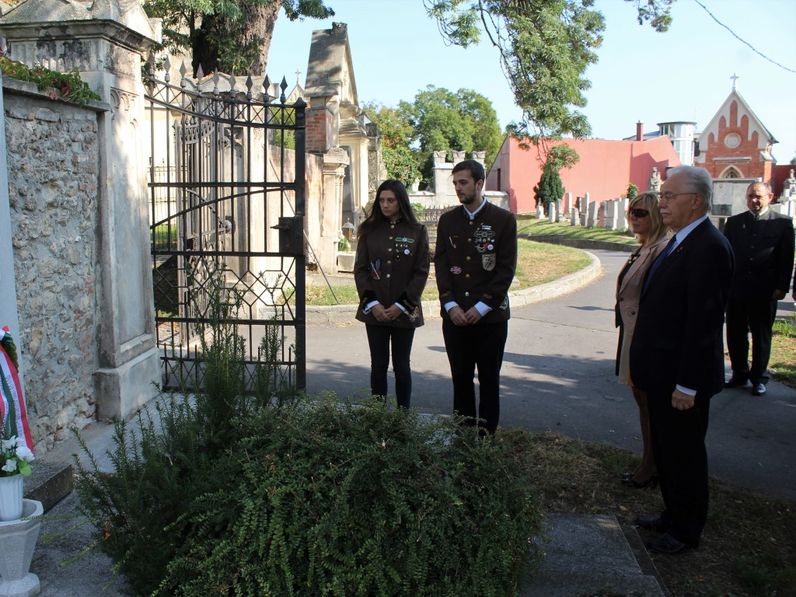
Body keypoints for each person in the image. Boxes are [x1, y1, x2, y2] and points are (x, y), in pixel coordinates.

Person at [630, 166, 734, 555]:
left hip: (681, 380)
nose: (662, 202)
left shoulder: (709, 246)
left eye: (670, 196)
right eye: (662, 195)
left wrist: (688, 383)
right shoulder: (680, 241)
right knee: (669, 451)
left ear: (697, 201)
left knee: (685, 454)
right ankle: (672, 514)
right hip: (662, 374)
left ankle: (686, 529)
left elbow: (704, 323)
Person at [434, 159, 517, 434]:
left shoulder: (503, 220)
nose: (458, 188)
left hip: (490, 318)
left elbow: (505, 270)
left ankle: (486, 438)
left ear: (479, 184)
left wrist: (481, 307)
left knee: (490, 379)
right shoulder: (448, 221)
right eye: (455, 183)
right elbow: (442, 265)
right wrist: (450, 304)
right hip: (456, 316)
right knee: (460, 378)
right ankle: (463, 434)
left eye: (463, 182)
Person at [354, 179, 430, 408]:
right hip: (374, 310)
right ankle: (377, 415)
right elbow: (361, 269)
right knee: (378, 364)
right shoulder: (369, 231)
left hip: (404, 311)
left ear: (401, 201)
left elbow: (421, 271)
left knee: (401, 365)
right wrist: (373, 303)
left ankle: (402, 416)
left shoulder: (417, 231)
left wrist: (401, 305)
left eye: (391, 200)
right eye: (382, 200)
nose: (385, 204)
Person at [615, 192, 668, 489]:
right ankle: (650, 460)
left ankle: (651, 465)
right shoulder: (645, 247)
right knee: (642, 402)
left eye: (642, 212)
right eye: (631, 211)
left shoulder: (660, 249)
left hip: (643, 337)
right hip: (631, 333)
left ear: (656, 217)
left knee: (649, 405)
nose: (634, 217)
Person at [723, 182, 794, 396]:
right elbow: (726, 255)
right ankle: (739, 372)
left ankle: (759, 377)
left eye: (759, 196)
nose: (755, 200)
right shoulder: (734, 223)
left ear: (770, 197)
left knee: (762, 335)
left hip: (765, 291)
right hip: (737, 288)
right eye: (751, 196)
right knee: (735, 333)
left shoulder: (782, 223)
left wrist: (782, 286)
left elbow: (786, 257)